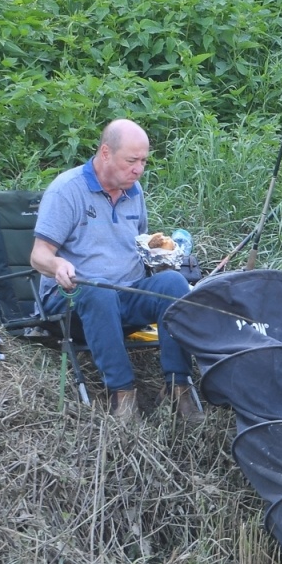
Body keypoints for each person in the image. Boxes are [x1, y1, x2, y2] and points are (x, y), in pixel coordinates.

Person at [30, 119, 202, 421]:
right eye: (131, 161)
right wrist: (58, 265)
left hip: (126, 295)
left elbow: (139, 245)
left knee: (174, 283)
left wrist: (160, 256)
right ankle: (122, 396)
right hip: (72, 299)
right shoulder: (67, 191)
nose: (138, 169)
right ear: (106, 153)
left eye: (144, 161)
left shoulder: (133, 191)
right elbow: (38, 256)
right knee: (99, 291)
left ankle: (178, 387)